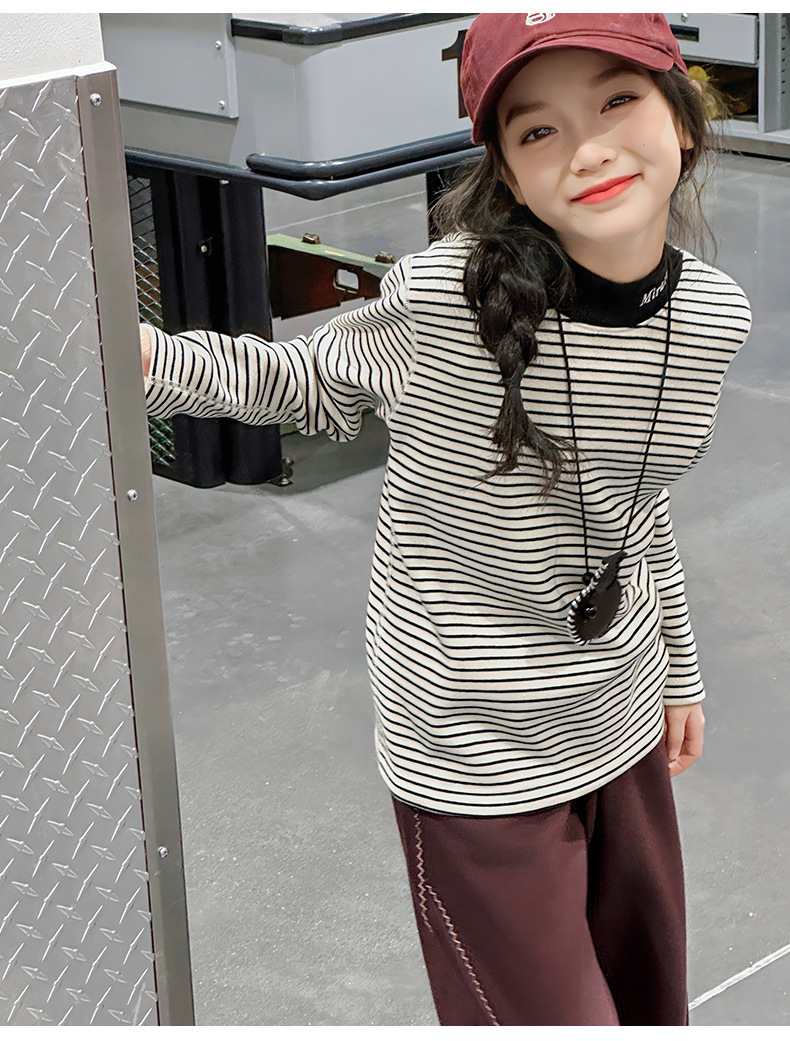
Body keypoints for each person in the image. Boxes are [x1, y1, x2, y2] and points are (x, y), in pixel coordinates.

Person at [139, 13, 752, 1027]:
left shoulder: (711, 317)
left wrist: (678, 670)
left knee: (652, 1006)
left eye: (616, 100)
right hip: (471, 746)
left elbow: (638, 508)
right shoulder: (445, 298)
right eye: (538, 129)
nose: (588, 147)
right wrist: (139, 358)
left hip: (618, 710)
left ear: (681, 117)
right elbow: (301, 383)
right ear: (507, 170)